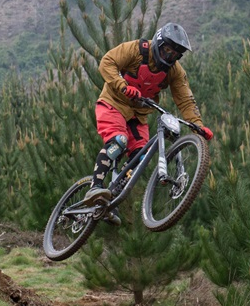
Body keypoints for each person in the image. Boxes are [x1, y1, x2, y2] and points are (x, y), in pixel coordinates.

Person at [84, 22, 214, 224]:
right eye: (167, 50)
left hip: (139, 115)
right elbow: (107, 62)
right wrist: (122, 85)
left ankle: (111, 200)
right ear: (159, 43)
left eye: (174, 55)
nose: (169, 57)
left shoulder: (174, 71)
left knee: (140, 158)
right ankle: (95, 186)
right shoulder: (136, 50)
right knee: (118, 141)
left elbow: (185, 99)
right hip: (113, 103)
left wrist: (197, 124)